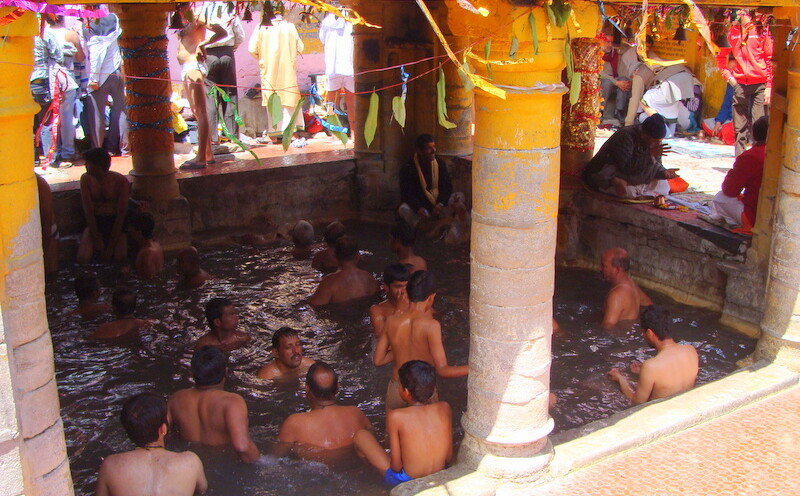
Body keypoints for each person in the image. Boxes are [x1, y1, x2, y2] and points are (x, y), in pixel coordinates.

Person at [374, 271, 468, 410]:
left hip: (397, 388)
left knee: (394, 430)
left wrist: (399, 348)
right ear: (431, 298)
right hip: (422, 392)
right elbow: (443, 370)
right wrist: (474, 368)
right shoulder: (431, 326)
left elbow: (378, 360)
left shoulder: (392, 321)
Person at [353, 360, 453, 487]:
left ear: (405, 391)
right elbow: (448, 457)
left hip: (405, 479)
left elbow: (396, 466)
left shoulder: (396, 416)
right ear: (432, 389)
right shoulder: (445, 408)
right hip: (440, 472)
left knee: (361, 436)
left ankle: (371, 482)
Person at [96, 392, 208, 496]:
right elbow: (202, 490)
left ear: (128, 432)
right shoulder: (191, 463)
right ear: (163, 429)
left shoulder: (110, 466)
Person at [168, 346, 260, 463]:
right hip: (223, 464)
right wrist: (262, 464)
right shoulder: (231, 402)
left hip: (187, 464)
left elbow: (159, 435)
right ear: (225, 373)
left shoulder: (176, 399)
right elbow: (242, 446)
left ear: (194, 374)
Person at [277, 362, 373, 457]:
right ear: (337, 387)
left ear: (307, 389)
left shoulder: (294, 423)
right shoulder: (356, 413)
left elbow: (276, 458)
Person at [608, 305, 698, 404]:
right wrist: (643, 373)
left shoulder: (651, 366)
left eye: (643, 333)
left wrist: (621, 379)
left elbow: (636, 403)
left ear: (650, 333)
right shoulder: (691, 350)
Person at [176, 4, 226, 170]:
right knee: (196, 112)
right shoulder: (180, 17)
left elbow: (221, 32)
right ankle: (208, 154)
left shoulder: (196, 15)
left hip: (193, 66)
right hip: (186, 67)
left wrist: (202, 44)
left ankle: (200, 158)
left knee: (200, 111)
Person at [583, 113, 678, 200]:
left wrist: (664, 172)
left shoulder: (654, 142)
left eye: (659, 140)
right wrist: (649, 154)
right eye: (655, 140)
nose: (658, 143)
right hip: (609, 173)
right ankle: (616, 182)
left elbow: (656, 165)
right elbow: (626, 167)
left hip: (631, 178)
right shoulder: (625, 136)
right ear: (644, 135)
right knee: (629, 193)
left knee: (664, 186)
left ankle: (633, 187)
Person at [717, 10, 773, 156]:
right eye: (738, 11)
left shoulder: (760, 30)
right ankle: (740, 160)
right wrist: (729, 78)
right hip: (739, 84)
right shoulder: (732, 33)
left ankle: (757, 160)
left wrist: (769, 85)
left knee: (758, 126)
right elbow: (721, 58)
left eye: (743, 11)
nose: (739, 15)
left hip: (760, 84)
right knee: (739, 128)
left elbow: (769, 58)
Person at [705, 115, 767, 233]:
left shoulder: (751, 156)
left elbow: (729, 190)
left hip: (756, 215)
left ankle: (744, 224)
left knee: (720, 197)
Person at [196, 2, 245, 146]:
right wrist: (230, 49)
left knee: (210, 96)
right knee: (229, 94)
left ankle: (212, 137)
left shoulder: (200, 10)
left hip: (208, 54)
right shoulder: (230, 10)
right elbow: (240, 36)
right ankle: (231, 135)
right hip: (227, 54)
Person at [84, 8, 128, 156]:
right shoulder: (114, 18)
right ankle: (122, 147)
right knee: (120, 111)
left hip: (101, 76)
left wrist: (94, 79)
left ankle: (98, 151)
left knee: (98, 114)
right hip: (116, 72)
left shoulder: (91, 23)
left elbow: (97, 53)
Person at [77, 148, 130, 263]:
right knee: (82, 258)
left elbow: (121, 214)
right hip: (96, 221)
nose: (85, 165)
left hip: (115, 222)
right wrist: (96, 238)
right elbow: (88, 211)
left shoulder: (120, 181)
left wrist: (111, 246)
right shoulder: (86, 179)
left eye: (88, 163)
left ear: (97, 165)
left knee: (120, 260)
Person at [44, 14, 81, 167]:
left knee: (50, 118)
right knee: (66, 118)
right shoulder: (70, 34)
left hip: (48, 80)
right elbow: (81, 57)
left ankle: (53, 153)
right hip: (67, 80)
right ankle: (68, 152)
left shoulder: (42, 35)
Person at [398, 134, 455, 228]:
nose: (433, 151)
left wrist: (440, 203)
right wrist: (419, 208)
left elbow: (447, 187)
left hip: (438, 204)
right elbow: (407, 194)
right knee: (403, 209)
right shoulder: (408, 168)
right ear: (419, 151)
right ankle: (428, 226)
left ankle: (436, 224)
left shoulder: (440, 164)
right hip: (422, 206)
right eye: (429, 148)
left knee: (459, 197)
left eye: (434, 147)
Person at [309, 236, 379, 306]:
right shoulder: (369, 278)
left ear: (335, 256)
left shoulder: (329, 282)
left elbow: (315, 305)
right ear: (357, 255)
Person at [599, 247, 653, 331]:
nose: (599, 268)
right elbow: (650, 305)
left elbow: (607, 328)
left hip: (621, 337)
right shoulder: (631, 284)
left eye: (603, 265)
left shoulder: (617, 295)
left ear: (617, 269)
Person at [30, 27, 62, 167]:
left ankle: (34, 159)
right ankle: (52, 159)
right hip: (41, 83)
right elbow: (58, 56)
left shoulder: (17, 34)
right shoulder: (44, 32)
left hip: (22, 84)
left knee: (30, 124)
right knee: (46, 123)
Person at [369, 263, 411, 337]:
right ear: (386, 287)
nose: (404, 291)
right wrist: (399, 309)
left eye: (406, 286)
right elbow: (382, 342)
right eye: (398, 286)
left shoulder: (417, 304)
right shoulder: (377, 310)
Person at [599, 30, 631, 125]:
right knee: (607, 82)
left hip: (615, 79)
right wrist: (615, 82)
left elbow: (630, 48)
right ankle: (601, 111)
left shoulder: (616, 52)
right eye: (607, 41)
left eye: (611, 42)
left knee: (624, 80)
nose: (609, 45)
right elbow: (599, 72)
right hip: (602, 80)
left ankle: (619, 111)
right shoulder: (596, 53)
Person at [127, 212, 164, 280]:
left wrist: (127, 275)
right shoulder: (156, 244)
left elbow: (148, 280)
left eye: (132, 227)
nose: (129, 230)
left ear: (139, 231)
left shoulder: (146, 253)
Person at [36, 174, 59, 274]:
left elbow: (47, 220)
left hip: (47, 232)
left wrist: (43, 250)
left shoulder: (40, 184)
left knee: (50, 274)